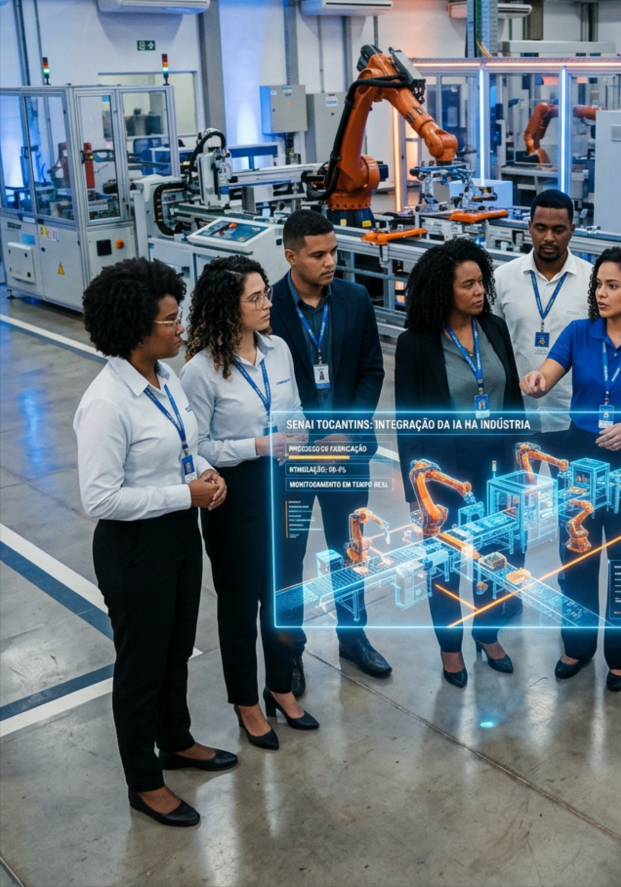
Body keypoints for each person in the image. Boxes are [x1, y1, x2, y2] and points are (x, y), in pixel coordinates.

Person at [73, 258, 234, 829]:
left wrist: (206, 471)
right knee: (141, 668)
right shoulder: (106, 403)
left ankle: (177, 740)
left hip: (179, 535)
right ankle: (144, 782)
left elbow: (186, 446)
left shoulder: (166, 379)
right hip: (134, 549)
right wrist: (183, 494)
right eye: (170, 320)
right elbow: (100, 498)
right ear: (137, 331)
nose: (180, 327)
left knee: (175, 651)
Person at [520, 244, 621, 692]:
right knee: (576, 556)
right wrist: (536, 381)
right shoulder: (579, 333)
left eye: (613, 285)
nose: (601, 293)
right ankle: (577, 646)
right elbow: (548, 374)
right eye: (598, 285)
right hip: (578, 455)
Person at [180, 257, 318, 753]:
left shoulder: (278, 350)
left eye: (267, 294)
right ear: (226, 307)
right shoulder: (200, 371)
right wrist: (257, 446)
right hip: (235, 494)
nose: (267, 304)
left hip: (285, 485)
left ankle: (279, 686)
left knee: (284, 595)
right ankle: (245, 702)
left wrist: (299, 433)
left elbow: (295, 409)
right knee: (240, 606)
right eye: (254, 297)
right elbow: (197, 447)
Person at [394, 238, 525, 688]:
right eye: (467, 285)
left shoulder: (494, 328)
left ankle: (487, 635)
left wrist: (521, 466)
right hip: (445, 474)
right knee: (445, 565)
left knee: (498, 556)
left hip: (498, 468)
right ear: (441, 291)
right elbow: (409, 424)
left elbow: (512, 400)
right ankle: (450, 649)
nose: (479, 291)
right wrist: (417, 494)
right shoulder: (416, 344)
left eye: (480, 282)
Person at [268, 208, 390, 684]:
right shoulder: (268, 306)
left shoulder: (355, 298)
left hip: (346, 454)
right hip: (293, 459)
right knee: (289, 555)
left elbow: (372, 370)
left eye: (334, 251)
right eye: (318, 255)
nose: (330, 262)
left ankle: (353, 638)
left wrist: (346, 428)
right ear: (291, 256)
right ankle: (290, 653)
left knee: (350, 547)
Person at [493, 189, 592, 450]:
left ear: (572, 230)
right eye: (540, 228)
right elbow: (490, 342)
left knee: (572, 478)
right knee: (518, 478)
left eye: (558, 230)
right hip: (517, 414)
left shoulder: (593, 282)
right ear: (529, 227)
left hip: (572, 418)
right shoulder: (502, 278)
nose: (548, 237)